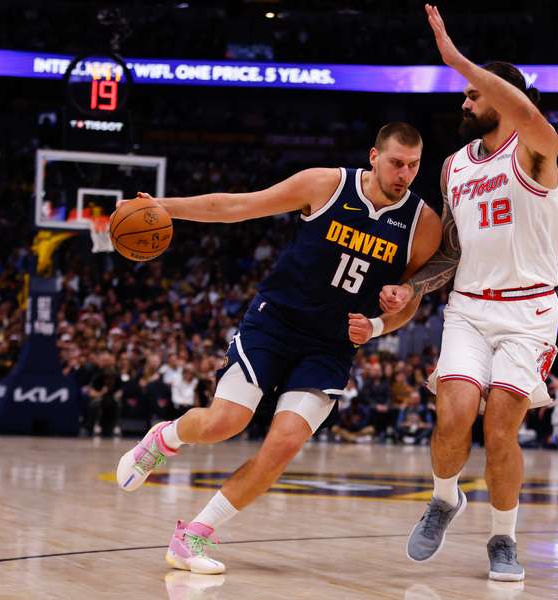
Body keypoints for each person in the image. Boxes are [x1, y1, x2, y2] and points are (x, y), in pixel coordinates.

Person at [115, 122, 441, 574]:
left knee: (283, 445)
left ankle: (193, 536)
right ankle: (163, 438)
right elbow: (236, 207)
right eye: (396, 163)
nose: (404, 173)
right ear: (373, 156)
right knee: (225, 422)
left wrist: (382, 322)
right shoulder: (325, 184)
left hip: (330, 345)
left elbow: (410, 300)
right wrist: (160, 206)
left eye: (413, 165)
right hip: (276, 323)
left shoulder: (423, 225)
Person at [373, 6, 558, 582]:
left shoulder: (536, 150)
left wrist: (457, 57)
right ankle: (443, 498)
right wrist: (410, 286)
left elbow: (527, 111)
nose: (463, 102)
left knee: (501, 427)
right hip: (469, 309)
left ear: (500, 97)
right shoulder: (454, 167)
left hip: (529, 312)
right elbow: (452, 252)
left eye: (472, 94)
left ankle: (503, 540)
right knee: (454, 414)